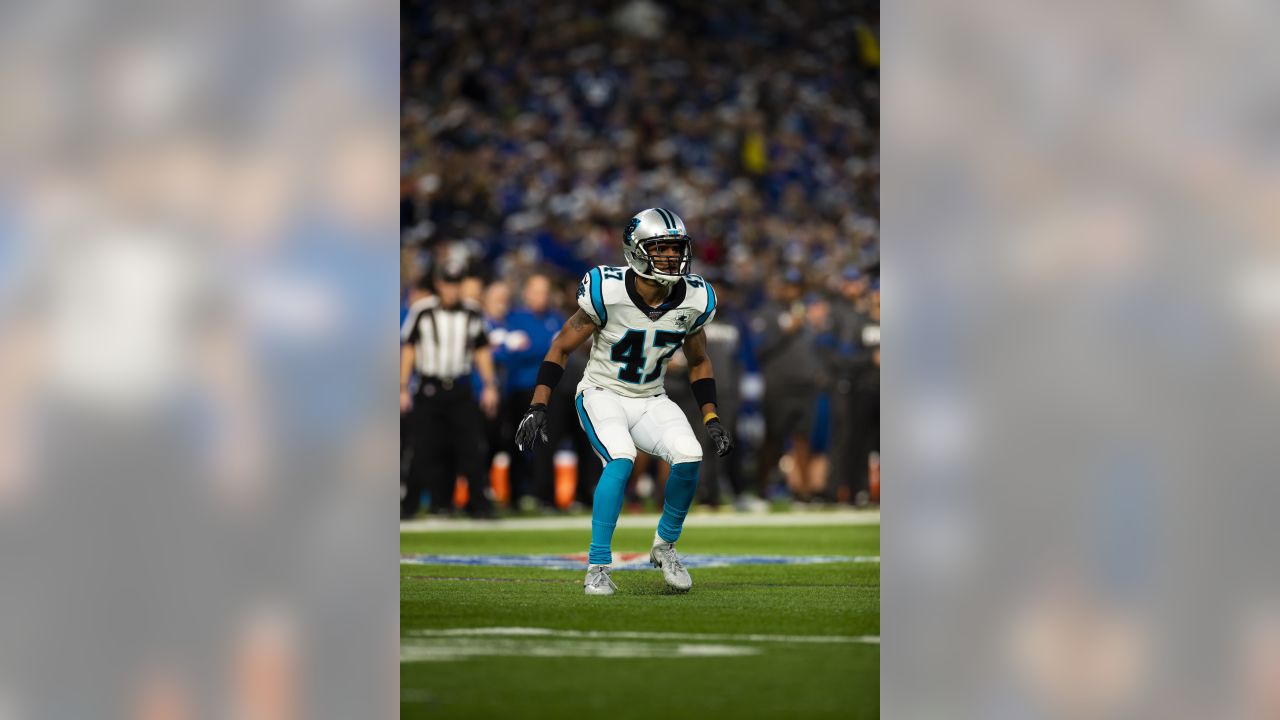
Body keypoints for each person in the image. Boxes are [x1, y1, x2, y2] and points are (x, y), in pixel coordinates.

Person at [514, 208, 734, 596]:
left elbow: (699, 360)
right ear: (636, 250)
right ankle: (597, 566)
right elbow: (560, 348)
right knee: (620, 459)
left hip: (651, 396)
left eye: (675, 249)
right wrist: (538, 405)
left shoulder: (696, 297)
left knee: (689, 454)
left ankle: (664, 546)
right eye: (661, 249)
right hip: (602, 393)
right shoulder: (607, 289)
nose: (671, 258)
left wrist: (711, 416)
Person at [400, 263, 500, 518]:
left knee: (471, 448)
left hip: (460, 387)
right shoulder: (422, 311)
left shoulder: (472, 312)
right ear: (439, 285)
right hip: (429, 387)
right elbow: (409, 349)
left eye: (456, 283)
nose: (452, 289)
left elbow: (481, 349)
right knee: (422, 449)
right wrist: (402, 387)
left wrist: (489, 385)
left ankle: (479, 505)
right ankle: (409, 506)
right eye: (447, 283)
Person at [752, 269, 823, 502]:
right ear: (781, 287)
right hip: (779, 386)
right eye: (789, 286)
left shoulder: (807, 314)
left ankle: (803, 491)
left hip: (805, 387)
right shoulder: (767, 313)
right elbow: (759, 349)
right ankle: (762, 489)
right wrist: (787, 331)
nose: (793, 291)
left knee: (803, 439)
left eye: (797, 287)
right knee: (773, 439)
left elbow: (817, 348)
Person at [501, 273, 566, 510]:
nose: (541, 297)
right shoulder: (513, 318)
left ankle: (544, 496)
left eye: (545, 291)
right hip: (521, 389)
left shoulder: (556, 318)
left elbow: (563, 351)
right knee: (518, 442)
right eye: (536, 291)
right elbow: (508, 351)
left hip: (550, 390)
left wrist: (534, 349)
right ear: (526, 293)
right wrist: (545, 348)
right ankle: (515, 496)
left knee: (548, 443)